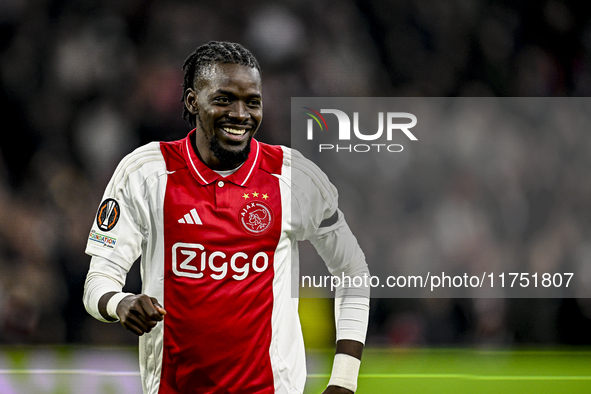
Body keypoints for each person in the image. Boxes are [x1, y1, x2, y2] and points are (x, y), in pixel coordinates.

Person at [83, 41, 370, 394]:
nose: (240, 114)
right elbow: (98, 281)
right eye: (223, 99)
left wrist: (344, 379)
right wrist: (120, 302)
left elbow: (352, 269)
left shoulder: (294, 177)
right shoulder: (145, 173)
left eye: (252, 102)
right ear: (192, 101)